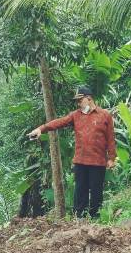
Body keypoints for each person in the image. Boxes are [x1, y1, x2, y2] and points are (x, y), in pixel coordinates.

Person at [27, 86, 116, 218]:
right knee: (80, 191)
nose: (78, 104)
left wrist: (111, 158)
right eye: (77, 101)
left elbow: (110, 138)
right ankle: (79, 218)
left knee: (97, 191)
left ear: (89, 98)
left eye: (80, 100)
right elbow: (59, 122)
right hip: (80, 161)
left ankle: (95, 219)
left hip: (98, 161)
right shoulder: (75, 115)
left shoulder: (104, 115)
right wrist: (41, 129)